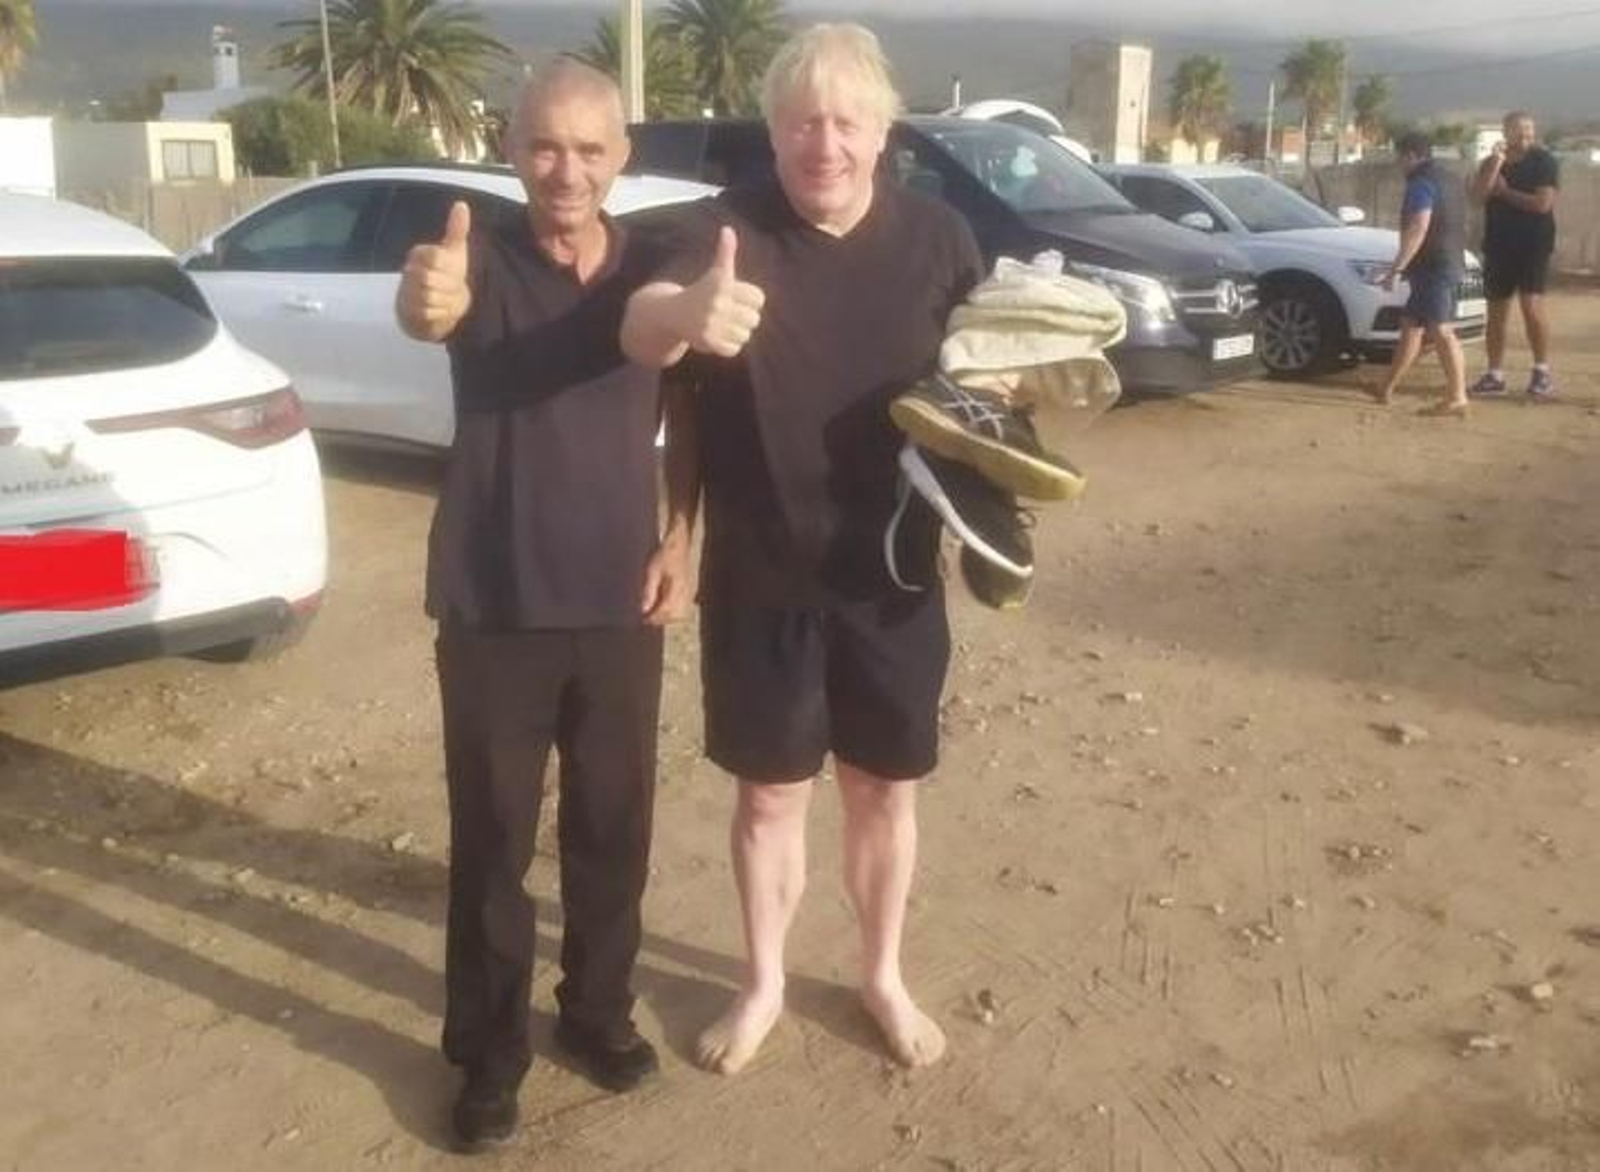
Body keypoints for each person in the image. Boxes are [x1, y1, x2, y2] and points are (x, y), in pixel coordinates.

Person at [620, 23, 984, 1075]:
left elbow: (987, 382)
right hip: (760, 570)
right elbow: (651, 335)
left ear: (882, 132)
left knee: (883, 787)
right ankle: (765, 979)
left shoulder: (940, 240)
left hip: (895, 572)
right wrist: (687, 311)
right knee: (769, 793)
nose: (821, 142)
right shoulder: (720, 231)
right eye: (799, 122)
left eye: (844, 121)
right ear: (772, 132)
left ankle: (880, 972)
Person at [395, 60, 696, 1151]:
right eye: (542, 146)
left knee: (613, 829)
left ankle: (596, 1010)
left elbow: (672, 362)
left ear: (621, 156)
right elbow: (431, 305)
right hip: (491, 601)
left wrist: (680, 536)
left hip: (619, 599)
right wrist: (421, 296)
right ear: (511, 149)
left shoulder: (653, 264)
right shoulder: (477, 258)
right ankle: (487, 1052)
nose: (565, 169)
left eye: (588, 147)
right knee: (493, 841)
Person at [1368, 132, 1469, 417]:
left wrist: (1396, 269)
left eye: (1399, 157)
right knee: (1411, 326)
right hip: (1444, 262)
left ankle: (1457, 395)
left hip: (1433, 267)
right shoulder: (1449, 179)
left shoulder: (1420, 184)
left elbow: (1418, 228)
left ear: (1411, 155)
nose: (1398, 163)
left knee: (1441, 330)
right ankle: (1386, 386)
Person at [1468, 110, 1561, 399]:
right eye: (1520, 131)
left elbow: (1542, 204)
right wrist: (1496, 164)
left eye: (1530, 131)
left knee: (1531, 305)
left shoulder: (1544, 161)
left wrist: (1506, 193)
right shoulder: (1492, 162)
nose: (1526, 136)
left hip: (1533, 244)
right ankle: (1495, 375)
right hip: (1498, 245)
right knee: (1496, 311)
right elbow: (1477, 197)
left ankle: (1542, 372)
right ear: (1506, 132)